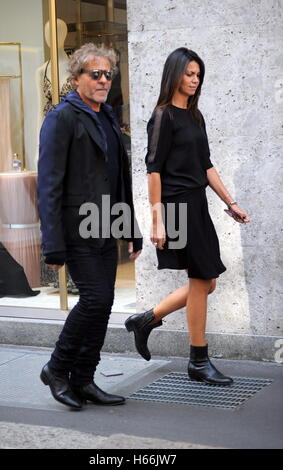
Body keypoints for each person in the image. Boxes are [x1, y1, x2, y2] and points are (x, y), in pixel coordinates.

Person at [125, 47, 250, 386]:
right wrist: (157, 218)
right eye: (189, 74)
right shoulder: (163, 116)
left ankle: (147, 319)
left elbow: (206, 165)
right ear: (175, 74)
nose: (195, 80)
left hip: (198, 205)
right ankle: (198, 359)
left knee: (207, 282)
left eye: (198, 75)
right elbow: (153, 171)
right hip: (176, 206)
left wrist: (230, 202)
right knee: (200, 279)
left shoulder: (195, 116)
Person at [38, 43, 142, 409]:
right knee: (95, 299)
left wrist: (131, 228)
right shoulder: (61, 117)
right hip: (77, 226)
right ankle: (57, 367)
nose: (103, 80)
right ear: (77, 77)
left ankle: (83, 379)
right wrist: (52, 244)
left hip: (106, 224)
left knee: (104, 302)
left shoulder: (107, 116)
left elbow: (119, 181)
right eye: (94, 74)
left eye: (108, 74)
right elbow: (48, 184)